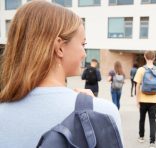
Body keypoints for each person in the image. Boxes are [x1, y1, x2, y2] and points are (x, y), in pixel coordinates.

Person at [0, 1, 122, 147]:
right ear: (60, 47)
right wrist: (90, 107)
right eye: (83, 44)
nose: (84, 53)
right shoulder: (103, 113)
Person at [134, 50, 156, 148]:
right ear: (154, 58)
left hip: (143, 99)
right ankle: (152, 142)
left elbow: (137, 86)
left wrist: (137, 100)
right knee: (152, 120)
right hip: (154, 100)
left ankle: (141, 137)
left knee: (142, 119)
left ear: (145, 57)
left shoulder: (141, 70)